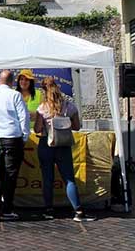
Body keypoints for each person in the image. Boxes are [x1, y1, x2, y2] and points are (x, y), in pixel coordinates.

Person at [34, 77, 96, 222]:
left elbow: (37, 129)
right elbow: (77, 127)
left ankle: (48, 210)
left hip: (46, 144)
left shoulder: (42, 108)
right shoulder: (70, 106)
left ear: (44, 91)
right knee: (69, 179)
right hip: (63, 145)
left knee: (47, 178)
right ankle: (78, 211)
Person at [0, 70, 29, 220]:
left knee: (0, 173)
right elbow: (24, 117)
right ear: (12, 81)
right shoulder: (15, 95)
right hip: (12, 137)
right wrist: (24, 136)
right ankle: (7, 208)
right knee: (11, 174)